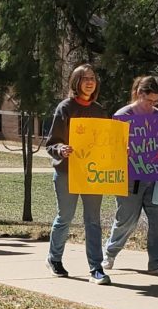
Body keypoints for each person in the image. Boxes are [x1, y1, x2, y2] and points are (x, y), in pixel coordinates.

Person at [103, 76, 158, 275]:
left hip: (157, 179)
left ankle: (157, 263)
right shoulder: (122, 115)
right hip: (130, 178)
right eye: (149, 100)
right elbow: (110, 148)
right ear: (139, 94)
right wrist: (120, 150)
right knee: (127, 219)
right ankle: (109, 253)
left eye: (155, 101)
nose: (152, 105)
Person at [45, 64, 110, 284]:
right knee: (65, 217)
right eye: (84, 78)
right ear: (76, 82)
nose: (90, 82)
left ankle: (96, 268)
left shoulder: (100, 111)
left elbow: (105, 141)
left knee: (93, 221)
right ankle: (54, 259)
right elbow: (51, 144)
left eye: (92, 78)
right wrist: (61, 149)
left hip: (92, 174)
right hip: (67, 172)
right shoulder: (65, 108)